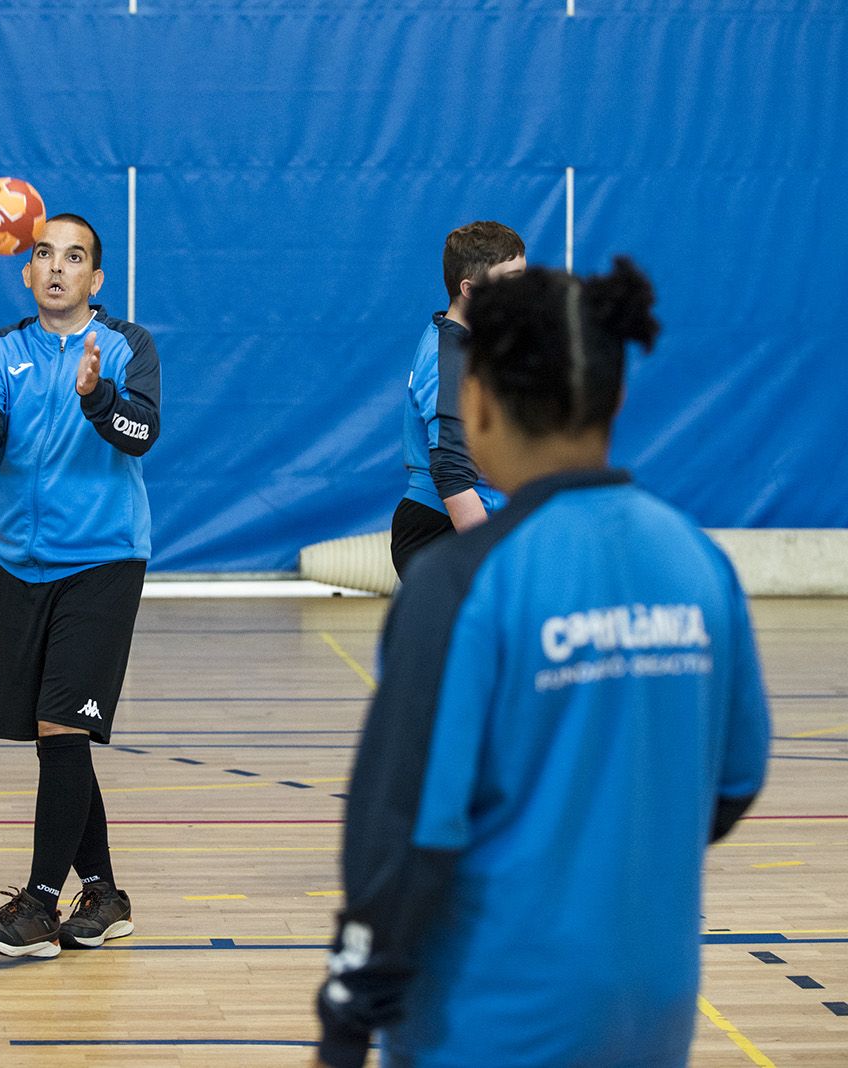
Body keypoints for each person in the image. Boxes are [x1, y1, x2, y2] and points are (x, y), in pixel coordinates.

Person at [316, 257, 771, 1067]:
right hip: (653, 1017)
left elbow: (402, 838)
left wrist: (348, 1014)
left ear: (478, 401)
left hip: (488, 1020)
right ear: (616, 396)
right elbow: (733, 785)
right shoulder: (701, 565)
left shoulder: (460, 585)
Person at [0, 213, 160, 958]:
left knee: (64, 727)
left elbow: (142, 433)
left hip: (102, 561)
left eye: (74, 256)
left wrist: (97, 396)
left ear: (95, 279)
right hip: (23, 566)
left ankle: (38, 907)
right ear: (27, 271)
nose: (57, 266)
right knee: (55, 737)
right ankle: (103, 891)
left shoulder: (126, 346)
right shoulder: (2, 350)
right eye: (44, 254)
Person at [391, 221, 526, 579]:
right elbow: (452, 474)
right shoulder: (450, 359)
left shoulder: (477, 339)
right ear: (470, 289)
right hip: (441, 531)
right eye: (511, 280)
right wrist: (489, 559)